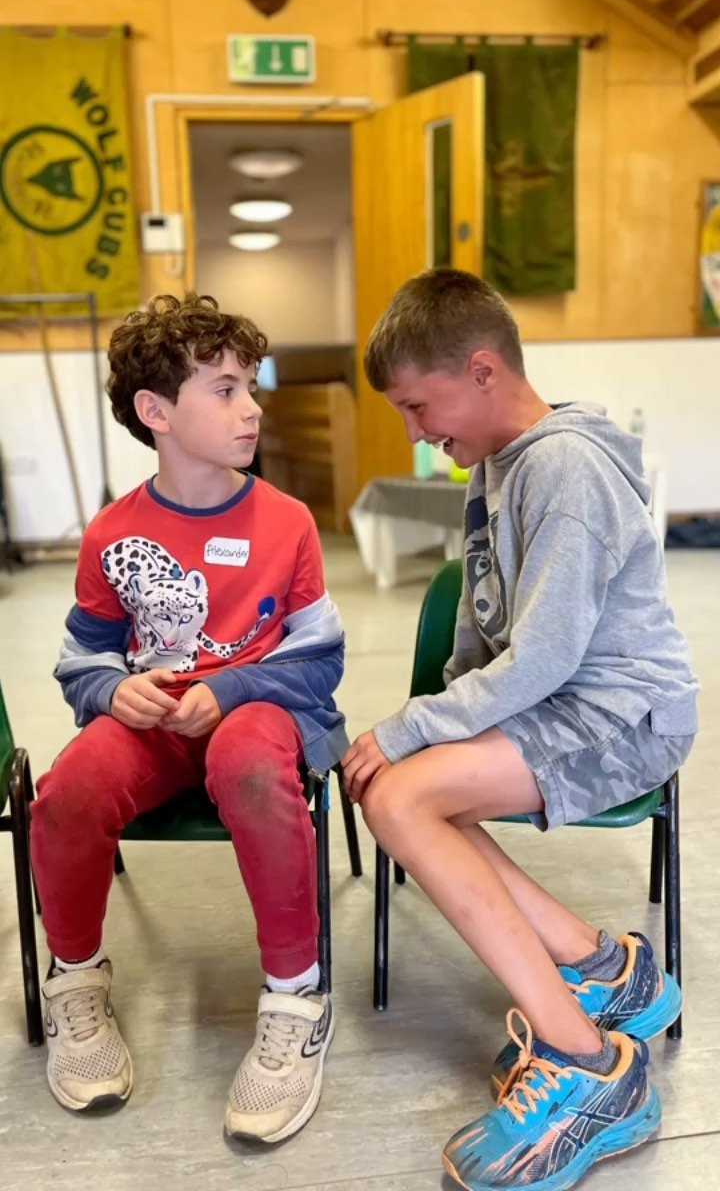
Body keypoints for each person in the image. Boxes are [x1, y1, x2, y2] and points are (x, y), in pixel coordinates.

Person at [343, 268, 697, 1191]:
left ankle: (588, 1066)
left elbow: (540, 658)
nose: (418, 432)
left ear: (483, 368)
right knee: (402, 792)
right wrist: (431, 732)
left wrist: (419, 725)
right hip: (560, 707)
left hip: (625, 717)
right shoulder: (498, 463)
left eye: (421, 406)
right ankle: (603, 967)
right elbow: (485, 629)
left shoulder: (564, 467)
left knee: (407, 795)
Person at [32, 293, 347, 1144]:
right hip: (157, 720)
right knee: (68, 790)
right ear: (156, 412)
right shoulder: (112, 533)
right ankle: (76, 984)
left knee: (246, 763)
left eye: (251, 386)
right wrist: (110, 693)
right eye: (224, 389)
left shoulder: (286, 521)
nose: (251, 407)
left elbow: (321, 660)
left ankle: (295, 996)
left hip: (262, 712)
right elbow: (83, 656)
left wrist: (238, 689)